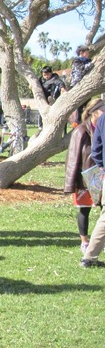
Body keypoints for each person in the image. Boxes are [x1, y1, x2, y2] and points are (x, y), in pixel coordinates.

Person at [65, 99, 105, 253]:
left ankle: (99, 241)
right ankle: (84, 241)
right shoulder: (81, 131)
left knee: (102, 210)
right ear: (93, 112)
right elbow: (73, 158)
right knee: (85, 209)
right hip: (85, 178)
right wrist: (71, 183)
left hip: (100, 176)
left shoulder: (101, 126)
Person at [78, 102, 105, 268]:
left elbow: (96, 149)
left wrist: (102, 167)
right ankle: (89, 257)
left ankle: (89, 257)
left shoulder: (102, 119)